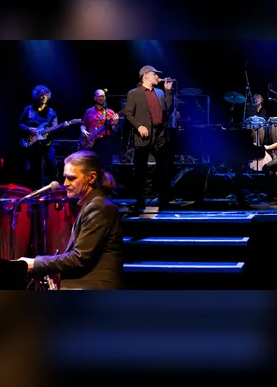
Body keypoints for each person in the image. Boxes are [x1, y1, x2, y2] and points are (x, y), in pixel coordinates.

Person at [17, 150, 124, 290]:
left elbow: (79, 258)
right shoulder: (92, 205)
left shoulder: (99, 208)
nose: (65, 183)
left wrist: (34, 263)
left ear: (91, 177)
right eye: (65, 178)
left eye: (71, 178)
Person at [122, 65, 174, 212]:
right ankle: (140, 201)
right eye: (155, 74)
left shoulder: (160, 92)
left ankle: (164, 202)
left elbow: (168, 109)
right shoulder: (134, 93)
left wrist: (168, 92)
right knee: (141, 169)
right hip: (143, 135)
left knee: (163, 168)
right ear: (145, 76)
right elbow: (128, 113)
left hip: (159, 134)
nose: (158, 77)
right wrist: (139, 126)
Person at [18, 84, 59, 190]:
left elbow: (55, 127)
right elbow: (20, 124)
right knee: (33, 169)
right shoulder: (28, 109)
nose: (44, 97)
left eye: (46, 95)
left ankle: (53, 190)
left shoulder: (51, 112)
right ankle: (34, 191)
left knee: (53, 167)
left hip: (47, 144)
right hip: (33, 144)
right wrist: (28, 129)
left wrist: (50, 131)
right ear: (36, 96)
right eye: (41, 95)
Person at [79, 88, 120, 166]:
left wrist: (116, 123)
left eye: (103, 96)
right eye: (99, 96)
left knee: (104, 165)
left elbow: (115, 130)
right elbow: (83, 125)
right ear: (95, 98)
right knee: (92, 165)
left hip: (105, 141)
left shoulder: (110, 112)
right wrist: (83, 131)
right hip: (91, 141)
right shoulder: (89, 111)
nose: (101, 98)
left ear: (105, 98)